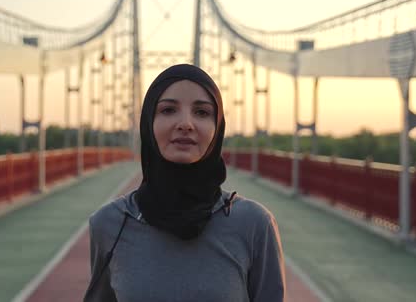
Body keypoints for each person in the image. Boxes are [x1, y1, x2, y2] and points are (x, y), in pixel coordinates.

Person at [83, 64, 285, 302]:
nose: (185, 123)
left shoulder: (255, 225)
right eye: (168, 110)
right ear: (149, 123)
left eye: (202, 112)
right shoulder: (109, 224)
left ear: (217, 127)